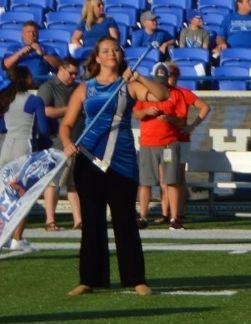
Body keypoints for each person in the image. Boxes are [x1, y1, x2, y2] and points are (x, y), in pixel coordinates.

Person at [60, 38, 166, 297]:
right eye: (105, 51)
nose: (111, 54)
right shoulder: (85, 88)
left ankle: (135, 278)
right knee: (92, 221)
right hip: (88, 159)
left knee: (125, 220)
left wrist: (138, 76)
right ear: (97, 57)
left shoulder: (129, 85)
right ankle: (90, 279)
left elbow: (162, 96)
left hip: (122, 161)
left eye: (116, 50)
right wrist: (66, 142)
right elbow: (66, 124)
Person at [133, 63, 190, 230]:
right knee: (145, 181)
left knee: (172, 181)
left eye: (163, 79)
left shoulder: (177, 94)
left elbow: (182, 120)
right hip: (148, 143)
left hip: (168, 144)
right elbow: (136, 113)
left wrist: (169, 118)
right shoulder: (145, 93)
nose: (161, 83)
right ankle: (142, 216)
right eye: (158, 80)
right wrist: (146, 112)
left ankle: (175, 217)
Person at [157, 62, 209, 229]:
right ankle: (167, 212)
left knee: (178, 177)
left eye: (171, 75)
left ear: (176, 76)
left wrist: (192, 125)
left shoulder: (182, 93)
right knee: (167, 178)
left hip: (181, 140)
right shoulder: (159, 94)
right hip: (166, 140)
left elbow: (204, 107)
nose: (168, 78)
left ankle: (177, 213)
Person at [37, 63, 79, 231]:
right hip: (55, 142)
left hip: (76, 140)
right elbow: (45, 111)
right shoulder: (48, 87)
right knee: (53, 183)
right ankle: (50, 220)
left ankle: (78, 220)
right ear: (61, 69)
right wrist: (71, 109)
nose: (74, 77)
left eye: (76, 74)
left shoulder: (77, 88)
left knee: (74, 183)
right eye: (71, 73)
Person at [1, 66, 33, 250]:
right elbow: (44, 128)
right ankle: (17, 238)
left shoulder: (5, 98)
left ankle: (5, 236)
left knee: (5, 195)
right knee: (24, 194)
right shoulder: (33, 99)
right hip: (23, 145)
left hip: (7, 146)